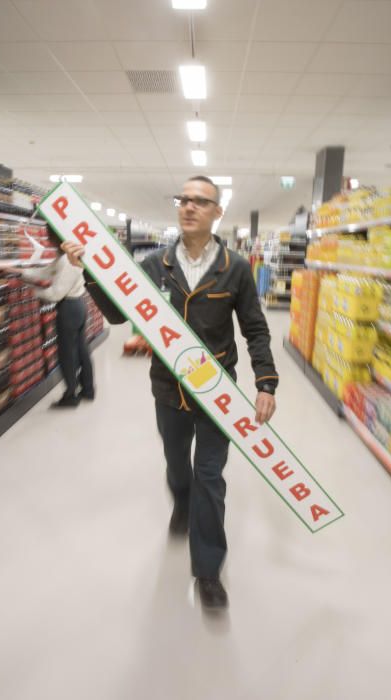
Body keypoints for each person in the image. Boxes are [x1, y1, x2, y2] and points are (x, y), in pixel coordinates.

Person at [63, 176, 278, 609]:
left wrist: (266, 383)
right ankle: (180, 503)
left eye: (201, 201)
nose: (189, 206)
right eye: (184, 199)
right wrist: (87, 271)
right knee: (178, 467)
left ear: (217, 212)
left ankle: (208, 571)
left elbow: (254, 328)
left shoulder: (234, 268)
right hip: (168, 390)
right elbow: (118, 317)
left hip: (218, 394)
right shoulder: (154, 264)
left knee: (210, 477)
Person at [11, 231, 95, 408]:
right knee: (81, 350)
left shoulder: (67, 261)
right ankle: (88, 390)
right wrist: (21, 273)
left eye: (50, 238)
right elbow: (47, 272)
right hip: (78, 306)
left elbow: (55, 294)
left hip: (69, 309)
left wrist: (32, 292)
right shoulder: (66, 257)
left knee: (67, 354)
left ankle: (70, 396)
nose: (48, 242)